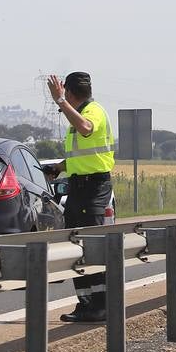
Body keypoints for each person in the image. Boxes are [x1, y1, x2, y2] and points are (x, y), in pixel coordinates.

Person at [43, 71, 116, 322]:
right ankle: (85, 304)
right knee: (77, 247)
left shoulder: (92, 111)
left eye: (65, 95)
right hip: (79, 187)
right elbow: (81, 157)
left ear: (70, 93)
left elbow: (86, 129)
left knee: (91, 246)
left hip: (93, 188)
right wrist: (58, 168)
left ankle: (101, 306)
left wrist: (60, 101)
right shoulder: (82, 112)